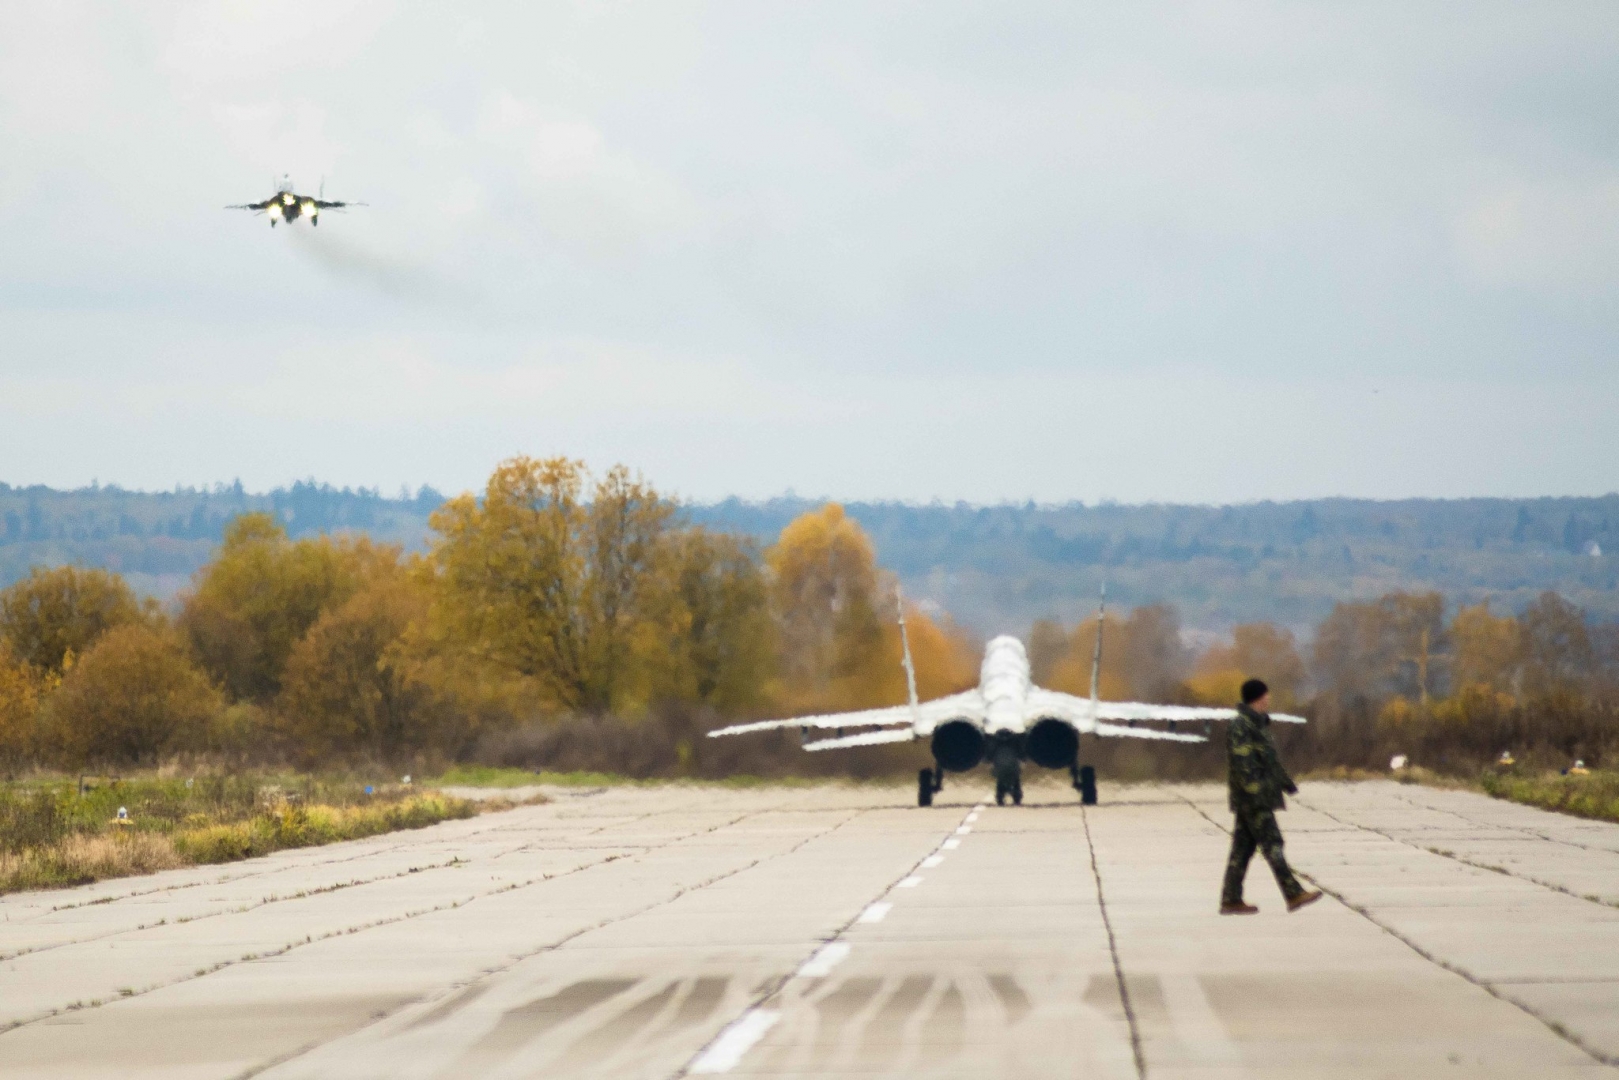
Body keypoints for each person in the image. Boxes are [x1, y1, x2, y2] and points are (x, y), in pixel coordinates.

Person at [1220, 678, 1322, 915]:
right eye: (1265, 695)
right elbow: (1242, 763)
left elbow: (1269, 761)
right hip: (1254, 799)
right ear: (1258, 697)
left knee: (1242, 849)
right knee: (1272, 844)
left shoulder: (1258, 725)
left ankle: (1231, 898)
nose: (1269, 699)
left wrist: (1286, 784)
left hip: (1260, 796)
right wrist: (1255, 794)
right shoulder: (1241, 726)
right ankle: (1293, 893)